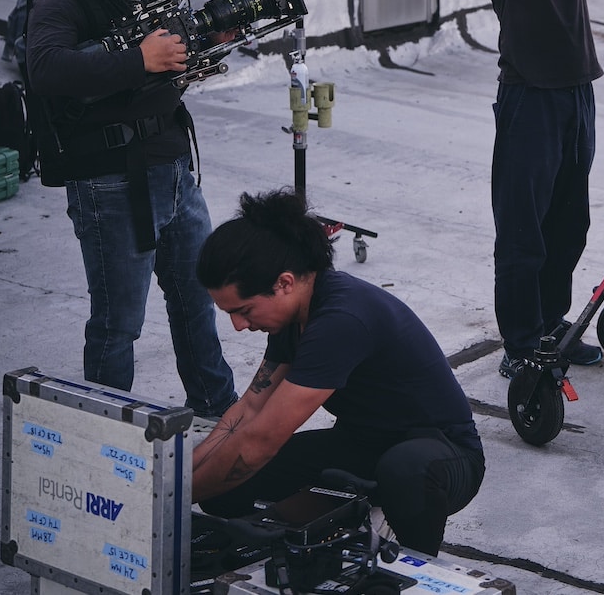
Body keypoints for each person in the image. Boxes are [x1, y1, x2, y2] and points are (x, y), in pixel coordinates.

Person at [25, 0, 237, 417]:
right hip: (111, 184)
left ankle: (218, 416)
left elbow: (169, 52)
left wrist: (204, 40)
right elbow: (46, 68)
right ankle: (103, 439)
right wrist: (139, 60)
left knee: (196, 306)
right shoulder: (59, 3)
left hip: (171, 169)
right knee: (120, 324)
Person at [192, 188, 485, 557]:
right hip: (361, 445)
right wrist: (174, 483)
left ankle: (418, 572)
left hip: (440, 454)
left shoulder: (341, 319)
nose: (237, 325)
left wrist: (169, 501)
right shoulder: (292, 316)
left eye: (245, 311)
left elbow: (261, 439)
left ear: (284, 283)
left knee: (405, 471)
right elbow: (246, 412)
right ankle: (309, 542)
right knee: (225, 489)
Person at [470, 0, 604, 377]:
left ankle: (552, 321)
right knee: (522, 229)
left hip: (578, 89)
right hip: (528, 95)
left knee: (569, 223)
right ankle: (519, 344)